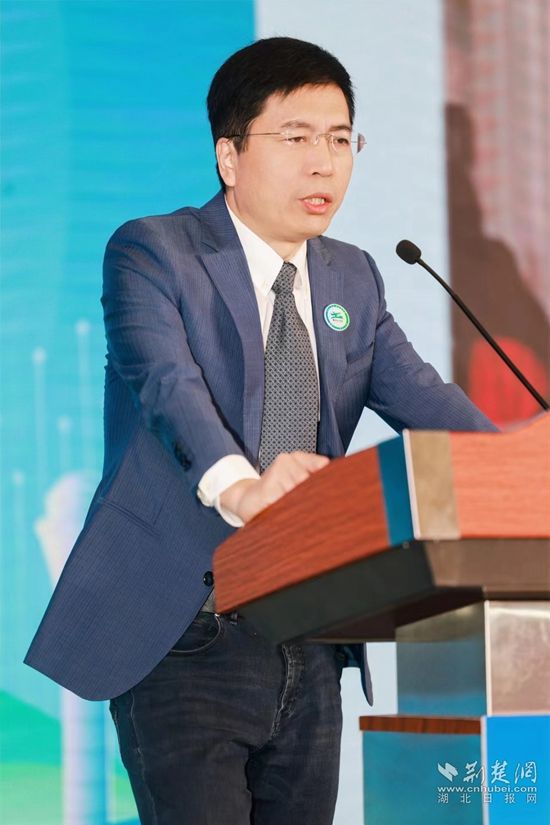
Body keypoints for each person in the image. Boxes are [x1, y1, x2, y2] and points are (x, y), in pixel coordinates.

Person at [25, 37, 496, 824]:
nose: (324, 163)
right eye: (296, 137)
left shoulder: (353, 276)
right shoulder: (154, 251)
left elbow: (430, 404)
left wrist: (522, 467)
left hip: (311, 628)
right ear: (230, 156)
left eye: (340, 139)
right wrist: (242, 488)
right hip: (186, 631)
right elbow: (166, 387)